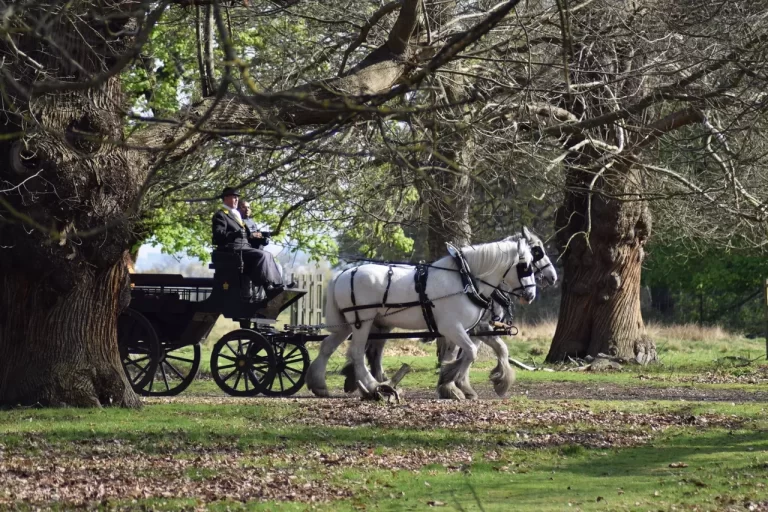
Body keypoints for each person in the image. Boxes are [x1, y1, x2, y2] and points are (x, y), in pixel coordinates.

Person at [211, 187, 283, 297]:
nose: (236, 200)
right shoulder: (221, 215)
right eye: (234, 197)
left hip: (245, 247)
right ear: (225, 198)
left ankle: (277, 285)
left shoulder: (235, 214)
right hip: (233, 249)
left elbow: (247, 234)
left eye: (237, 198)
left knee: (268, 255)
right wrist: (234, 234)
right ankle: (268, 288)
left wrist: (262, 237)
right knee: (262, 255)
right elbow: (218, 235)